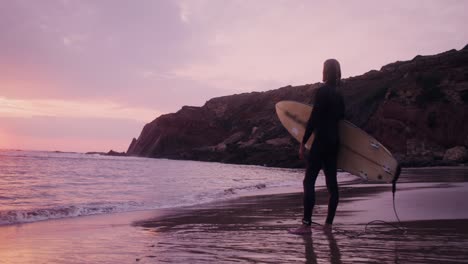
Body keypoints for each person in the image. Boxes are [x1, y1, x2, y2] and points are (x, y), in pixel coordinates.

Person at [289, 59, 345, 235]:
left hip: (320, 142)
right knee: (332, 186)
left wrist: (303, 143)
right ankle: (328, 225)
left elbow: (313, 119)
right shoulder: (340, 95)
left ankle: (306, 225)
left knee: (309, 181)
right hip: (334, 142)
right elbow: (342, 118)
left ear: (325, 72)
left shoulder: (321, 92)